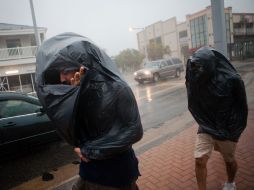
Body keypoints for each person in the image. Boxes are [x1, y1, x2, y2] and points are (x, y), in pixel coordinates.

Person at [35, 32, 143, 190]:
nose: (62, 78)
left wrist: (89, 150)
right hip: (88, 173)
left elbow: (134, 131)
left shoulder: (118, 89)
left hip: (115, 176)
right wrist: (73, 99)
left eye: (65, 71)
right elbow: (78, 132)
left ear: (82, 64)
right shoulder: (80, 92)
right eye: (60, 73)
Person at [185, 47, 248, 190]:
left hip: (226, 127)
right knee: (199, 160)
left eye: (200, 67)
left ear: (209, 65)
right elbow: (193, 102)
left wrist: (234, 132)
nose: (196, 70)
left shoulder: (232, 80)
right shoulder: (195, 77)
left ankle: (231, 183)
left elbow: (241, 109)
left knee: (229, 161)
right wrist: (202, 121)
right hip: (206, 125)